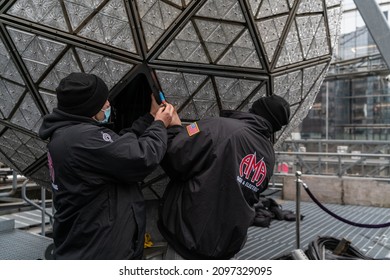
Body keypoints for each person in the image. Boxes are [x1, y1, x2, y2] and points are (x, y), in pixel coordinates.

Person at [38, 72, 176, 259]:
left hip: (90, 243)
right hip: (98, 251)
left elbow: (117, 146)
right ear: (88, 107)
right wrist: (160, 124)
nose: (108, 104)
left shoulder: (68, 134)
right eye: (103, 101)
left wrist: (149, 118)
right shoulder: (82, 138)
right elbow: (141, 157)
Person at [158, 95, 291, 260]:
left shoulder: (218, 126)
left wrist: (174, 129)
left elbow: (174, 155)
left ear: (254, 108)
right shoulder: (269, 156)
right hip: (226, 246)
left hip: (186, 239)